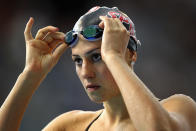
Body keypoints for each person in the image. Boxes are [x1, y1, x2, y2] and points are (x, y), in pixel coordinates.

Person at [0, 6, 196, 131]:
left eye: (97, 57)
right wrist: (30, 75)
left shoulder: (180, 106)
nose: (86, 72)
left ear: (131, 54)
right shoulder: (71, 126)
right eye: (78, 60)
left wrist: (112, 56)